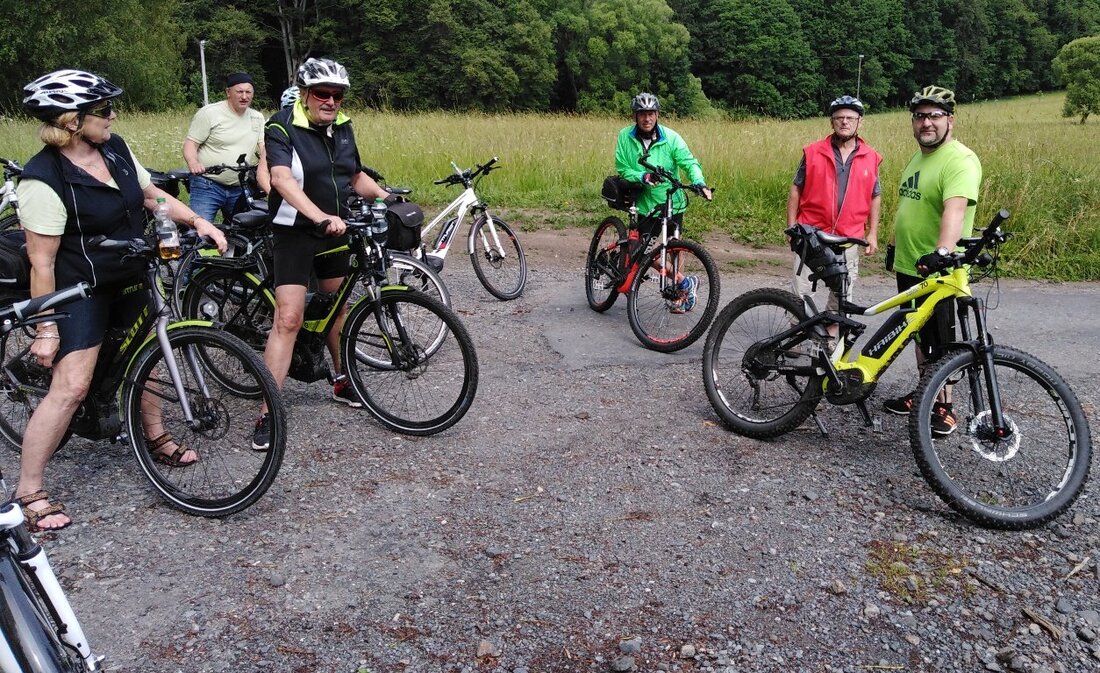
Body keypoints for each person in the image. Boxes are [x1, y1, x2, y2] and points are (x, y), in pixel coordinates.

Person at [14, 69, 228, 532]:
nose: (113, 115)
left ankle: (155, 436)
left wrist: (200, 223)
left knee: (148, 357)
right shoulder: (42, 178)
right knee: (71, 386)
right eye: (103, 109)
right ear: (71, 120)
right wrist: (46, 329)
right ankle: (28, 490)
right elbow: (43, 263)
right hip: (81, 289)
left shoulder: (115, 148)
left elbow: (153, 197)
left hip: (132, 272)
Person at [253, 58, 389, 450]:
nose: (330, 101)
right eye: (322, 94)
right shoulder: (281, 125)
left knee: (337, 307)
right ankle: (267, 411)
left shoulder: (343, 127)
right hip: (295, 233)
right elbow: (280, 179)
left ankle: (343, 381)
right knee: (289, 320)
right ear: (306, 95)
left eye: (337, 95)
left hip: (335, 230)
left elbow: (355, 175)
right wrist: (319, 216)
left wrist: (388, 198)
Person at [882, 85, 982, 437]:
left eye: (935, 116)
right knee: (917, 336)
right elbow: (909, 206)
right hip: (910, 265)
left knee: (940, 340)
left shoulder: (960, 160)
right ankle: (925, 394)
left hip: (937, 271)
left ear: (950, 121)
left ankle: (945, 407)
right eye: (921, 116)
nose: (927, 122)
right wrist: (894, 244)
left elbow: (955, 210)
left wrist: (942, 251)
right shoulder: (917, 157)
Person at [614, 92, 712, 312]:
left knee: (675, 248)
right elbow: (622, 168)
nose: (646, 119)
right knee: (639, 250)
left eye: (650, 114)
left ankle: (678, 295)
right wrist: (642, 176)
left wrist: (699, 182)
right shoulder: (625, 136)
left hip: (672, 201)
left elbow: (688, 162)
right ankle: (680, 280)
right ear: (635, 116)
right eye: (642, 114)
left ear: (657, 115)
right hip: (644, 202)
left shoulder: (672, 138)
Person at [786, 95, 881, 317]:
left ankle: (829, 340)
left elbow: (875, 196)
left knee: (841, 296)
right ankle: (797, 334)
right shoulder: (813, 152)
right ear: (832, 122)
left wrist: (873, 233)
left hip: (849, 238)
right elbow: (795, 190)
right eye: (839, 117)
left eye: (850, 117)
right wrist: (792, 227)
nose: (844, 122)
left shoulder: (871, 157)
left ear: (860, 122)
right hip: (811, 234)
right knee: (800, 292)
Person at [183, 72, 270, 223]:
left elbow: (264, 148)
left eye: (248, 92)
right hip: (207, 183)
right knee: (200, 230)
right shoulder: (210, 113)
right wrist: (193, 163)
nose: (244, 96)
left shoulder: (257, 117)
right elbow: (191, 144)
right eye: (239, 92)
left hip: (240, 185)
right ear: (228, 92)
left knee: (245, 230)